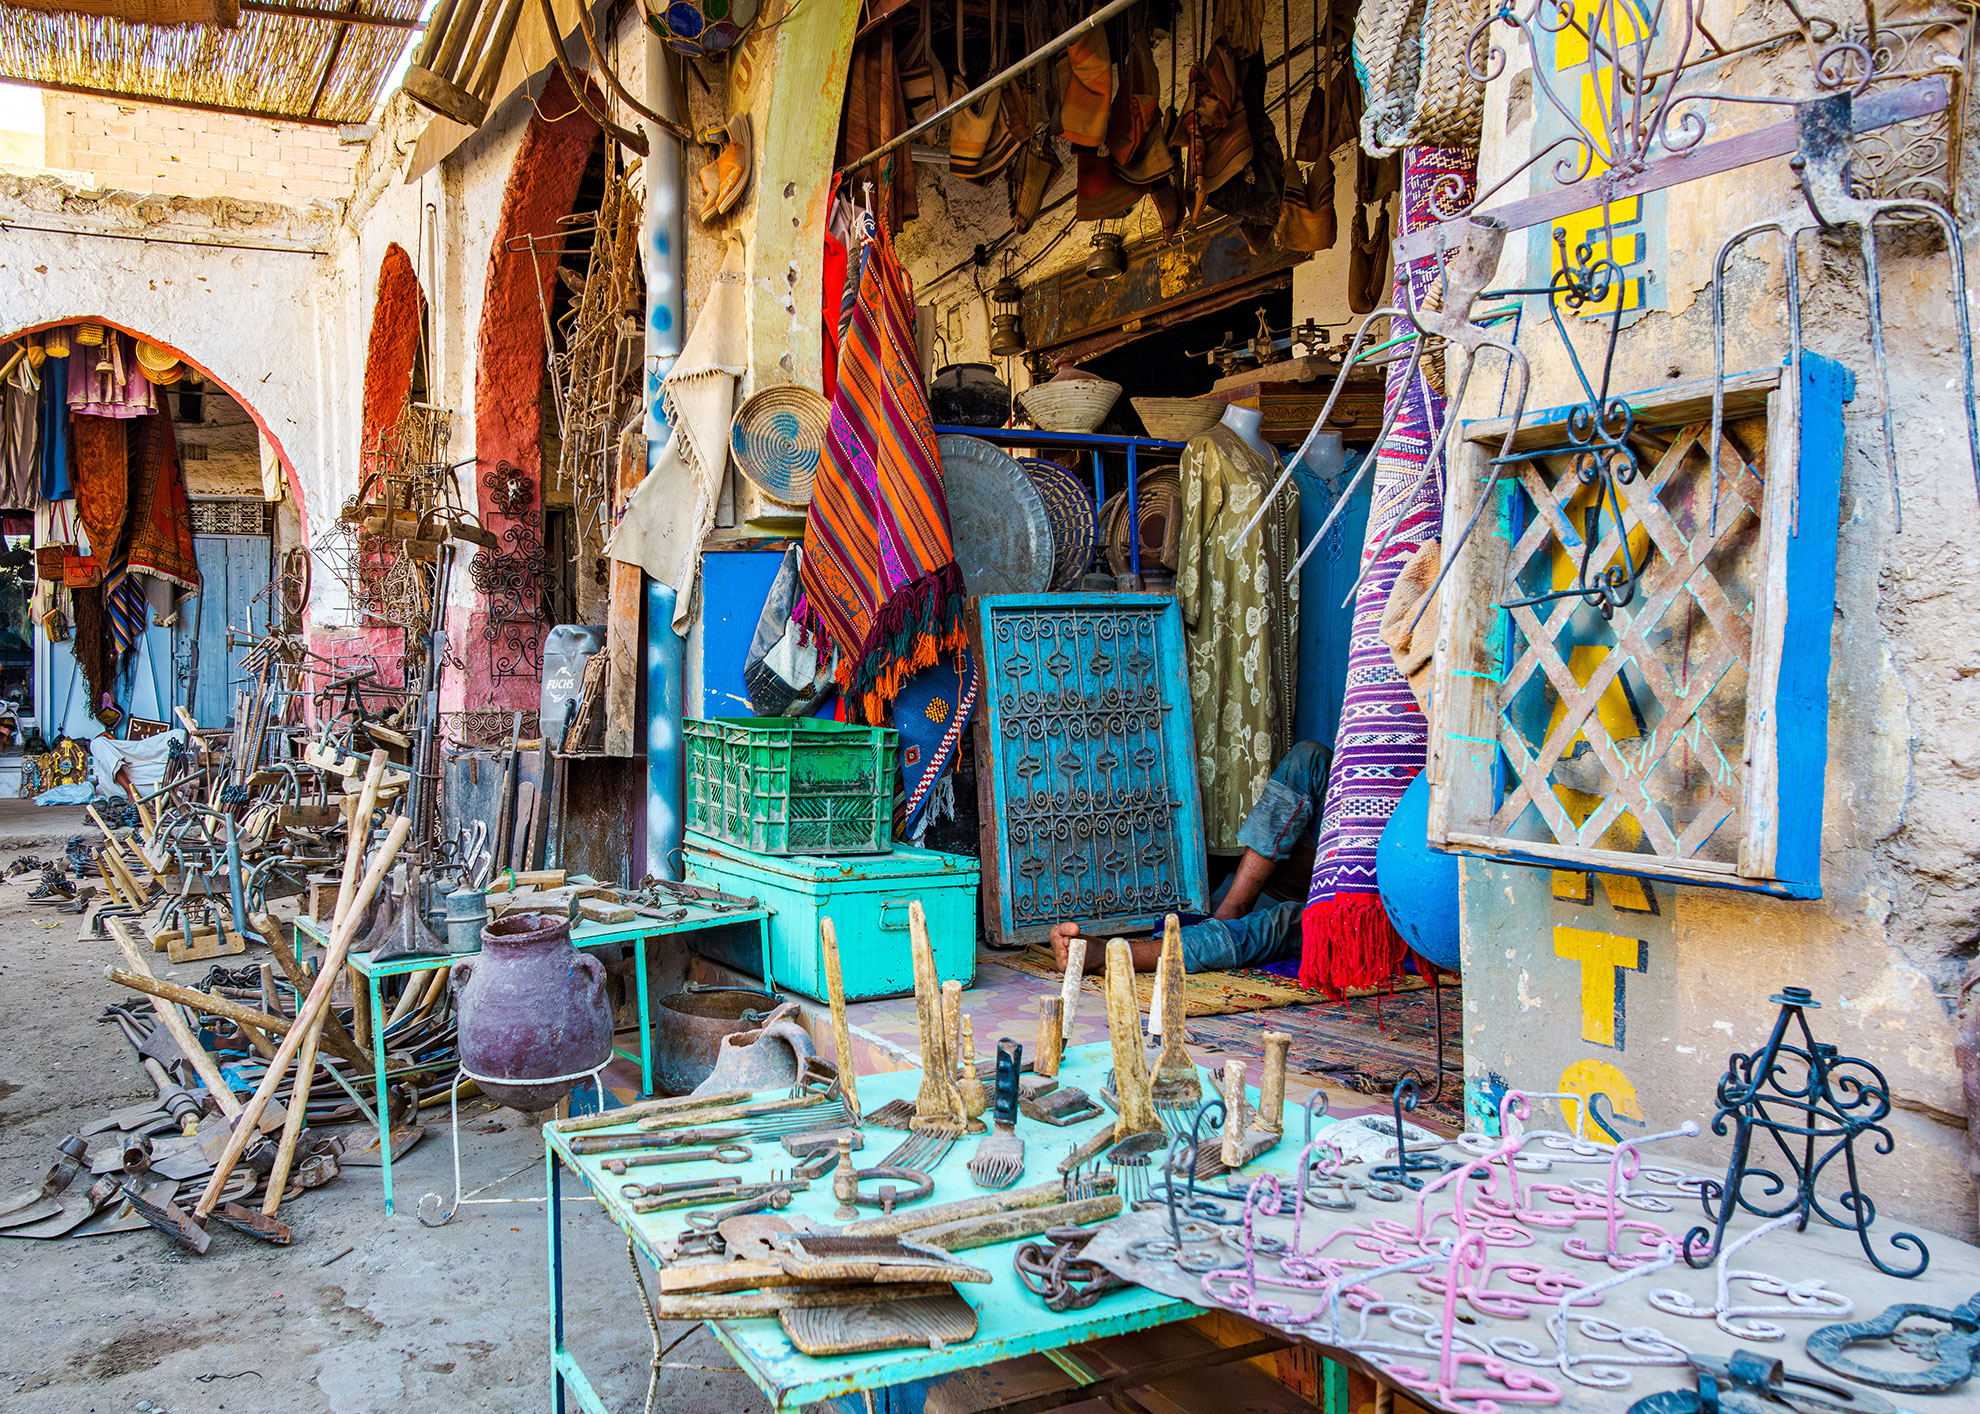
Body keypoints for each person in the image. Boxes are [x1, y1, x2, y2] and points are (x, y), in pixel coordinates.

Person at [1049, 740, 1331, 975]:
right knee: (1310, 755)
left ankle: (1113, 955)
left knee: (1270, 928)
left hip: (1352, 908)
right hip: (1320, 873)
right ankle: (1228, 913)